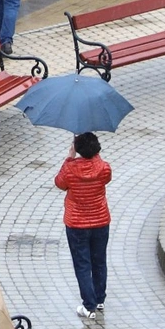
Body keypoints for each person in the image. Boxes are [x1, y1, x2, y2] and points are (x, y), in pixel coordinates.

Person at [55, 131, 112, 319]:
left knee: (82, 264)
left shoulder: (70, 169)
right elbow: (103, 175)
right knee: (99, 260)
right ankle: (99, 298)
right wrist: (93, 153)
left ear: (77, 149)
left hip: (77, 224)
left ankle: (89, 306)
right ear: (97, 149)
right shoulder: (104, 168)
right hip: (100, 222)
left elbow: (59, 183)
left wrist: (69, 157)